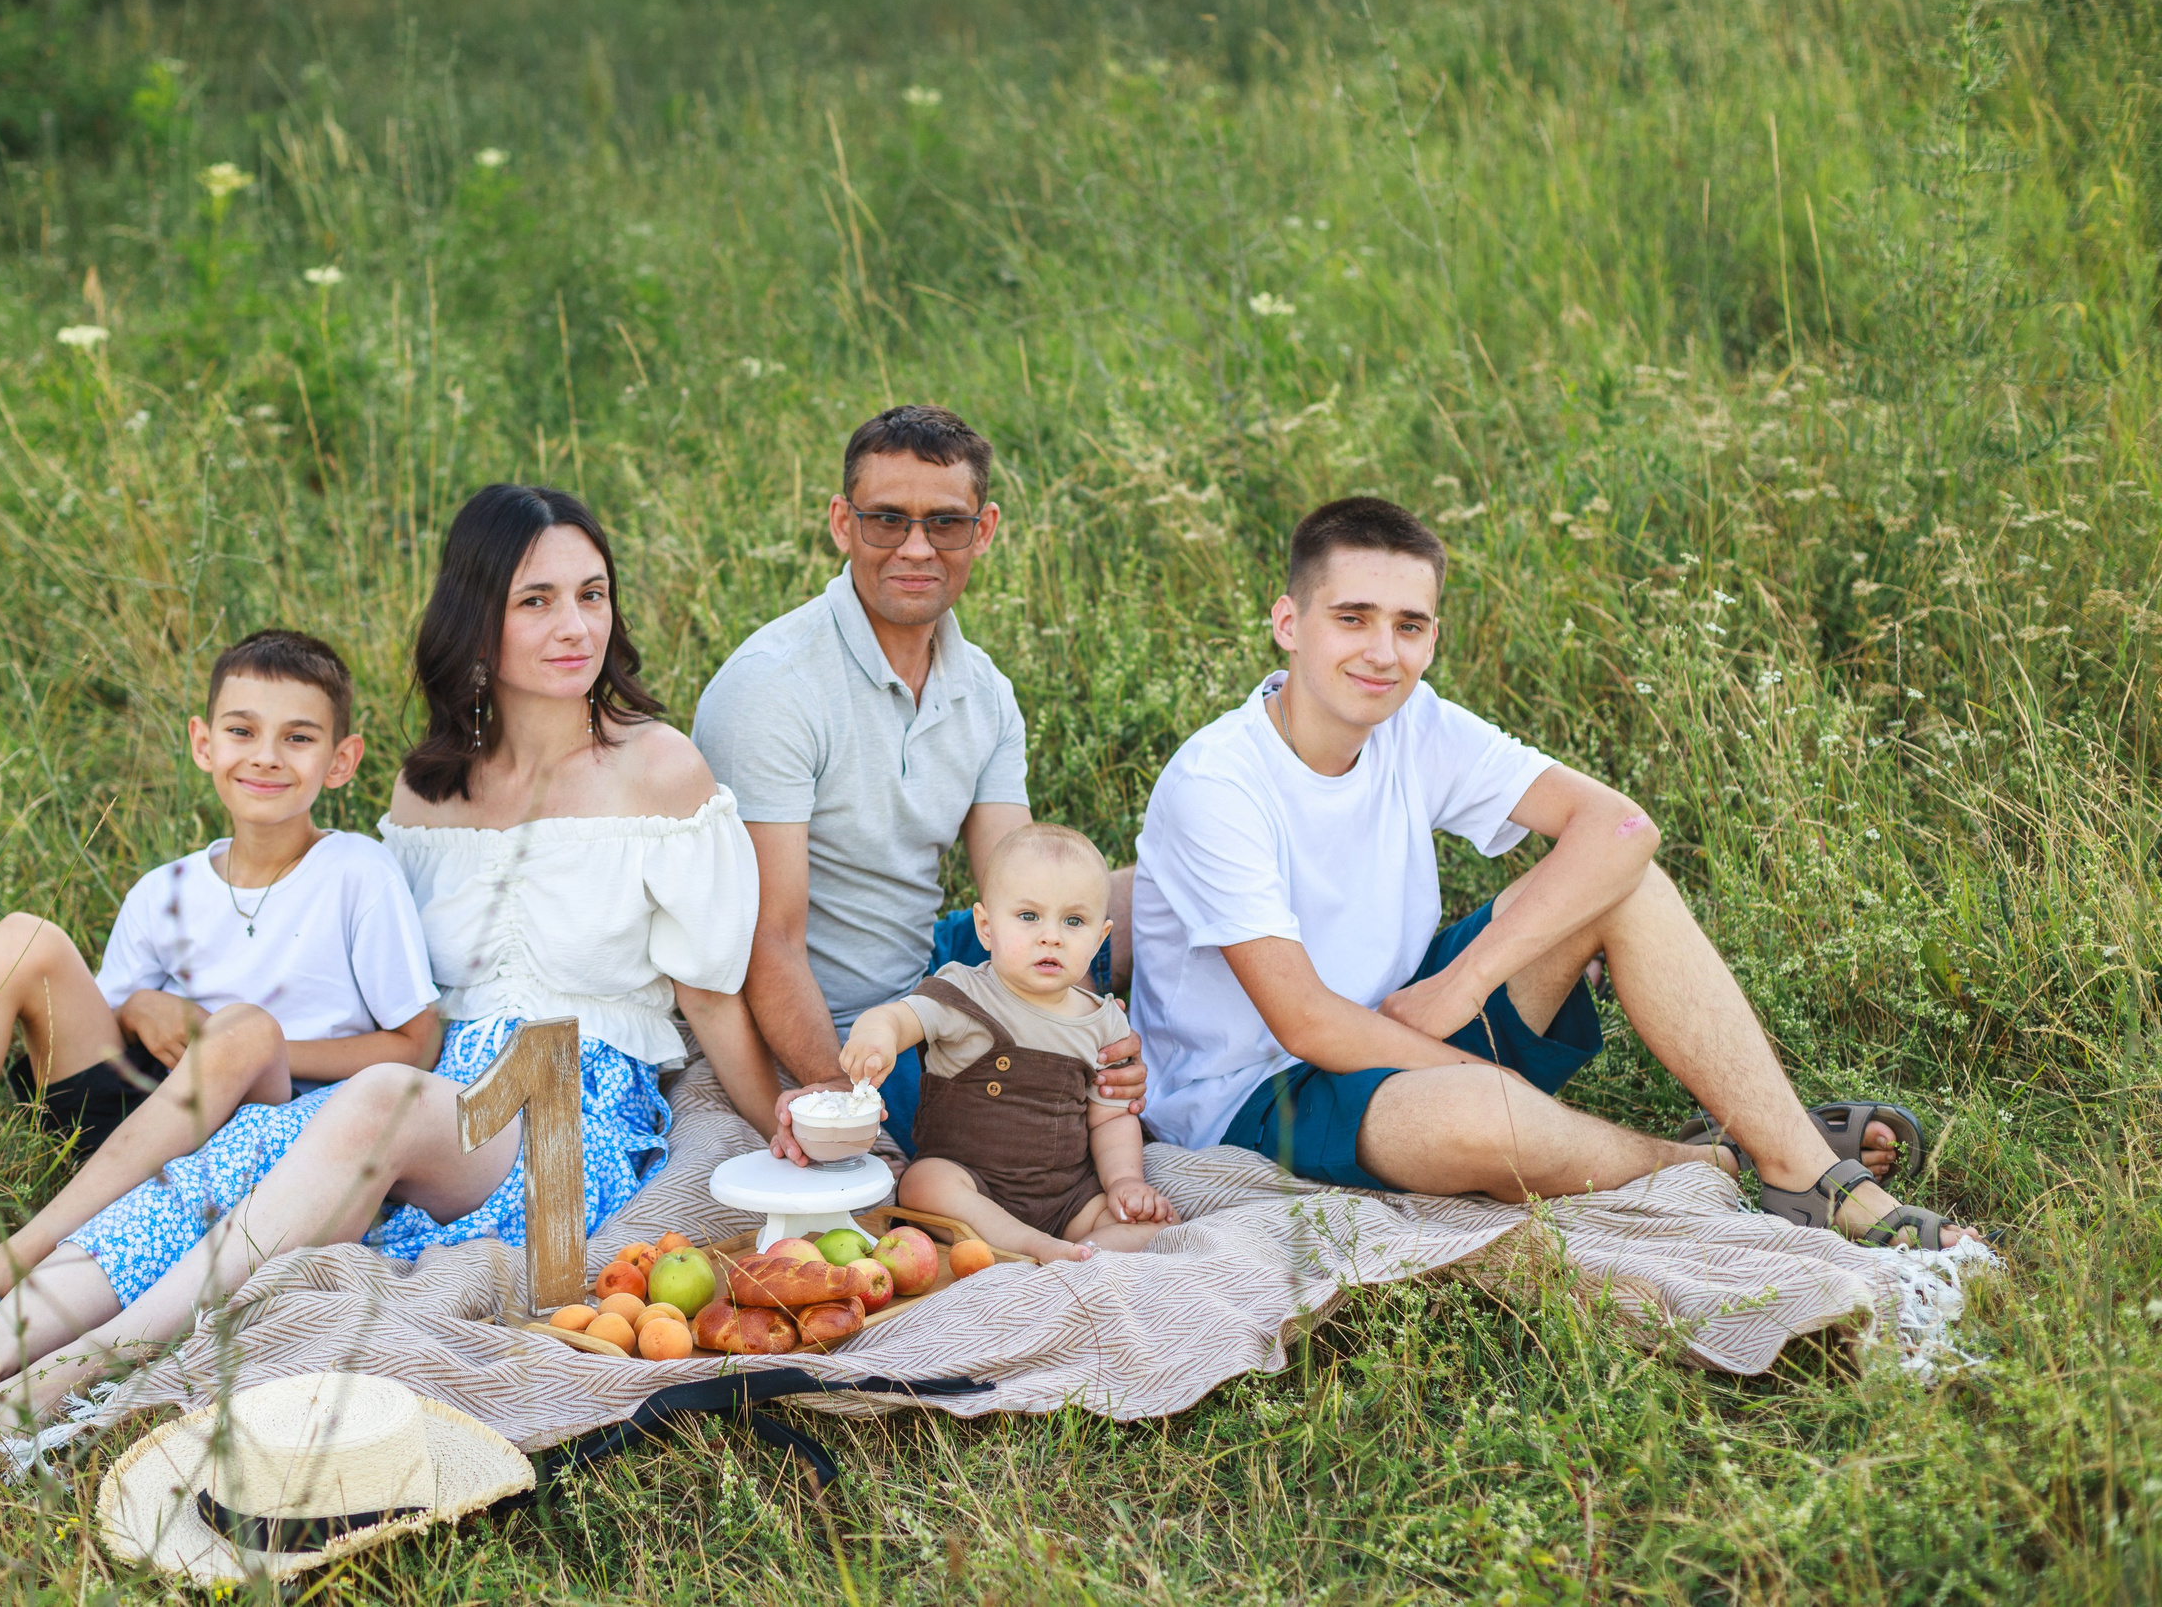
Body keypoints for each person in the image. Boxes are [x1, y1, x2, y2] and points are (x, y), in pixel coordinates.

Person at [0, 484, 780, 1478]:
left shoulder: (659, 767)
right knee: (236, 1156)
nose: (575, 627)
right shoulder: (429, 787)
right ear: (477, 617)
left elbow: (711, 996)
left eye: (592, 595)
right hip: (445, 1098)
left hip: (564, 1112)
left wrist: (786, 1128)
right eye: (536, 600)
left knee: (376, 1100)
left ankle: (45, 1391)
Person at [1130, 496, 1970, 1249]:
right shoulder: (1218, 783)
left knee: (1629, 886)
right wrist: (1481, 1075)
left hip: (1403, 1011)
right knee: (1485, 1118)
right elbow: (1307, 1022)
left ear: (1433, 636)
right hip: (1257, 1096)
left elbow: (1623, 826)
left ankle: (1800, 1172)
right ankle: (1709, 1159)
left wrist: (1462, 985)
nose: (1383, 653)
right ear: (1289, 622)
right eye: (1352, 618)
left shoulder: (1414, 722)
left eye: (1410, 625)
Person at [0, 630, 443, 1393]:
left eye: (298, 737)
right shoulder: (166, 887)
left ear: (341, 760)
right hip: (136, 1120)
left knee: (247, 1029)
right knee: (24, 938)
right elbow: (108, 1014)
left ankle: (5, 1268)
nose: (267, 756)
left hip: (262, 1137)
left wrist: (229, 1038)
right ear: (204, 743)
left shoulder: (357, 873)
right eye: (242, 730)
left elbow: (415, 1044)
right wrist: (142, 1005)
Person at [690, 403, 1145, 1163]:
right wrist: (840, 1097)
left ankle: (1166, 1068)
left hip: (925, 972)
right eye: (886, 520)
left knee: (1141, 900)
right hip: (833, 1018)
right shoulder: (772, 689)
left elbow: (1023, 888)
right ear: (842, 523)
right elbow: (769, 941)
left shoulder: (985, 690)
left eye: (945, 523)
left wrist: (1091, 1034)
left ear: (983, 530)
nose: (915, 548)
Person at [838, 823, 1175, 1263]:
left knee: (1155, 1225)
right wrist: (877, 1035)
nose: (1051, 936)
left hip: (1067, 1197)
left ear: (1100, 938)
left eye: (1073, 921)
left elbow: (1110, 1117)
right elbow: (899, 1017)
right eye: (1029, 916)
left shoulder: (1103, 1021)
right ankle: (1036, 1248)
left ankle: (1082, 1253)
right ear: (986, 927)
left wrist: (1124, 1182)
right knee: (923, 1183)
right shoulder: (964, 993)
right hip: (971, 1184)